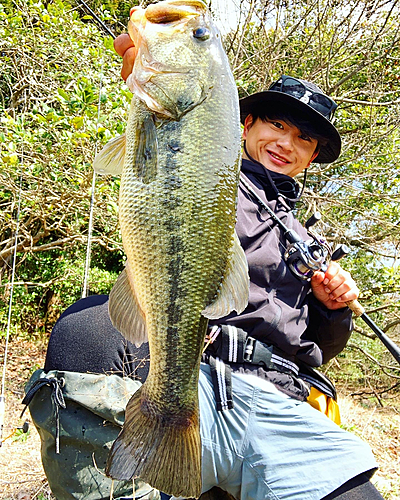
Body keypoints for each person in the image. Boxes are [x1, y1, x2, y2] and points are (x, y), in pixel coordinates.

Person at [23, 30, 384, 500]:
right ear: (244, 123)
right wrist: (152, 77)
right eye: (275, 125)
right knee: (87, 328)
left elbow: (321, 348)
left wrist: (334, 308)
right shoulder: (210, 177)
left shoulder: (312, 239)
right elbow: (166, 150)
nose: (285, 142)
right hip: (200, 373)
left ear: (312, 157)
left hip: (282, 398)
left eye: (303, 139)